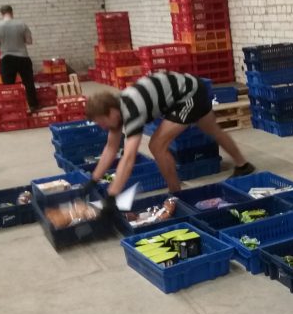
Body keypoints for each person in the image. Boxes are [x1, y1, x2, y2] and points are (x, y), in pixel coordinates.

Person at [84, 70, 254, 210]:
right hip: (191, 88)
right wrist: (92, 181)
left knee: (157, 145)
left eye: (102, 122)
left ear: (111, 112)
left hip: (189, 94)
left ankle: (177, 193)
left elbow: (128, 159)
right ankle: (243, 165)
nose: (103, 127)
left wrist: (111, 196)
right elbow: (111, 148)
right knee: (213, 130)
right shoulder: (117, 110)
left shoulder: (131, 110)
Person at [0, 5, 39, 110]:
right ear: (12, 12)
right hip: (23, 57)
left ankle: (13, 108)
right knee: (28, 83)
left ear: (1, 13)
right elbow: (29, 41)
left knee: (8, 86)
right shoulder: (22, 24)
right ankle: (33, 105)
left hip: (6, 59)